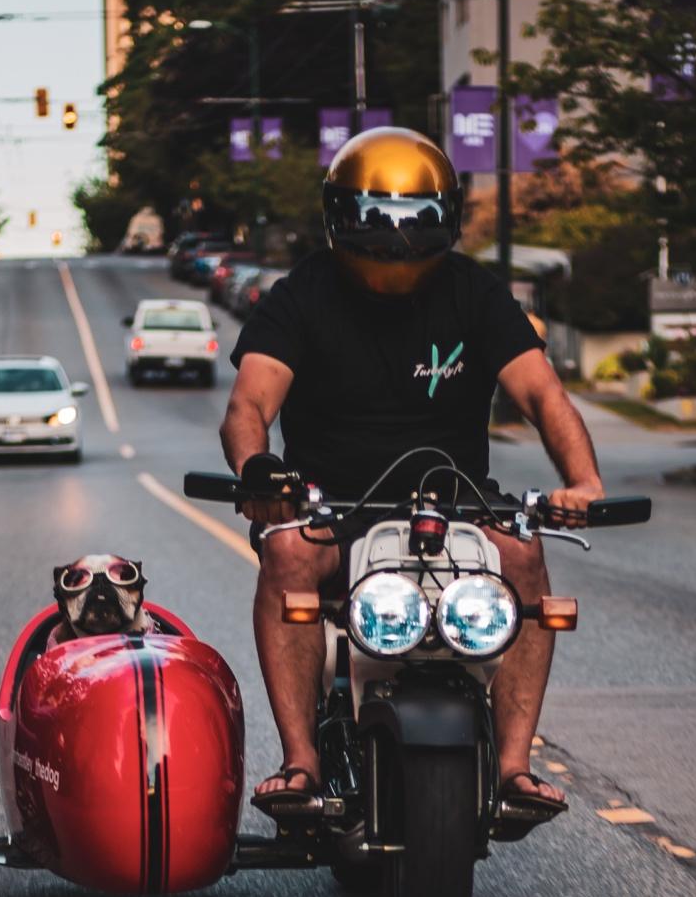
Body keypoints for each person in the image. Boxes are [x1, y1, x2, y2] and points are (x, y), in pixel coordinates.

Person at [219, 125, 607, 829]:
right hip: (331, 502)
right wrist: (258, 472)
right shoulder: (300, 295)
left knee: (522, 552)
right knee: (284, 553)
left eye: (415, 220)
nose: (395, 240)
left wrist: (581, 482)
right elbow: (249, 402)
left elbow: (542, 393)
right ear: (341, 214)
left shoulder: (475, 294)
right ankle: (301, 762)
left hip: (456, 501)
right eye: (376, 219)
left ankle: (515, 764)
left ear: (446, 219)